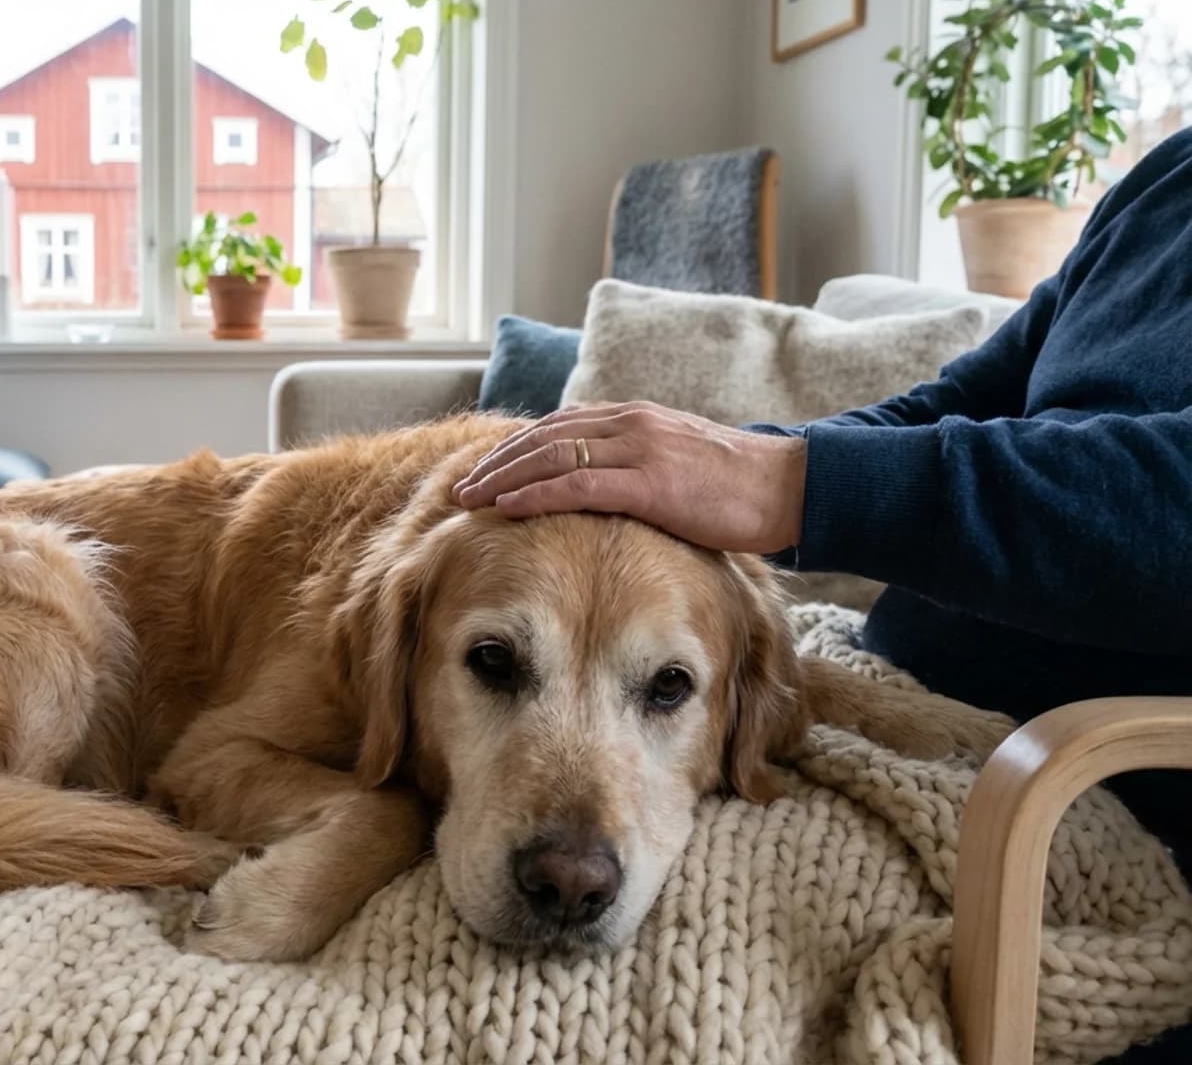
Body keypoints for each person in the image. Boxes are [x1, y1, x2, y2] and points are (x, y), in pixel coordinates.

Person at [454, 127, 1192, 1060]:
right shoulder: (1170, 176)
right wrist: (694, 486)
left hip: (1068, 783)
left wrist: (783, 484)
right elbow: (959, 403)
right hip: (881, 696)